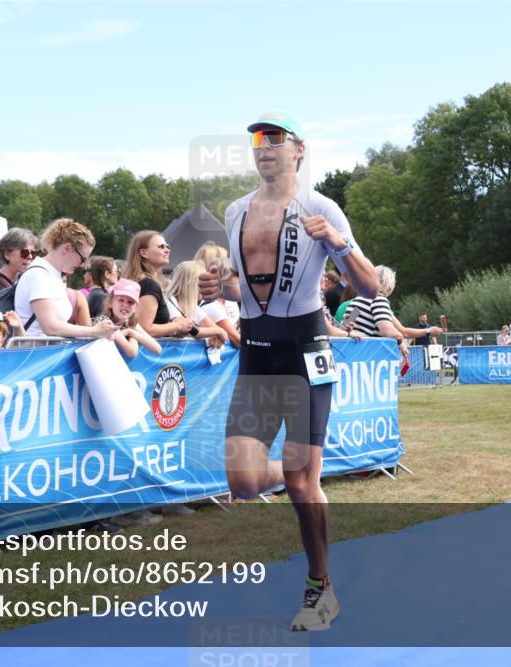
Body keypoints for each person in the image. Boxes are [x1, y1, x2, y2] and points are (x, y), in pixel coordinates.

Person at [198, 111, 381, 632]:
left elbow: (371, 287)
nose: (264, 146)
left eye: (275, 138)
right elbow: (246, 286)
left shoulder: (322, 207)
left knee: (303, 484)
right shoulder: (235, 211)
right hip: (257, 353)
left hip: (305, 351)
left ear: (299, 149)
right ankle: (301, 471)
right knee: (243, 483)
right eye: (258, 138)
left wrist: (340, 244)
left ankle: (321, 589)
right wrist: (221, 289)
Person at [13, 218, 118, 339]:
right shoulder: (39, 275)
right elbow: (50, 327)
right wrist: (95, 331)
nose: (82, 265)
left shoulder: (50, 274)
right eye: (83, 259)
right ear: (67, 248)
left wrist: (98, 331)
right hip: (37, 349)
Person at [123, 230, 195, 338]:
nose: (167, 250)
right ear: (144, 253)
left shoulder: (142, 282)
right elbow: (144, 329)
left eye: (167, 246)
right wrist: (177, 325)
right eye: (161, 247)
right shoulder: (148, 285)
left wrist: (176, 330)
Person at [91, 278, 162, 359]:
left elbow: (157, 349)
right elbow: (131, 352)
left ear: (135, 308)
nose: (125, 305)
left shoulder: (129, 323)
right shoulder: (104, 321)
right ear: (110, 303)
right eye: (121, 300)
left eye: (130, 302)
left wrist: (131, 332)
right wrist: (132, 333)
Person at [164, 261, 229, 349]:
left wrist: (216, 333)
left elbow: (218, 332)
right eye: (203, 283)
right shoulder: (168, 300)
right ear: (191, 283)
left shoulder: (192, 306)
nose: (207, 287)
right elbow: (185, 330)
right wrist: (217, 331)